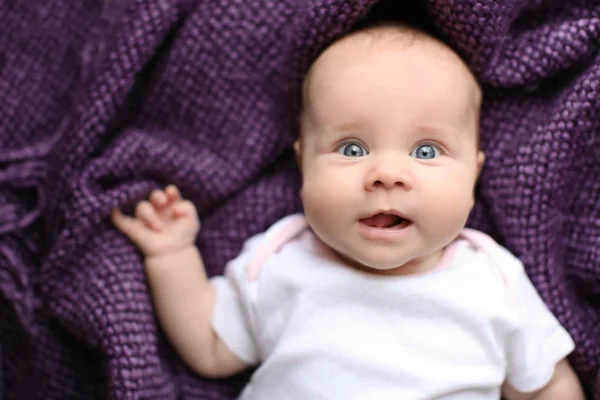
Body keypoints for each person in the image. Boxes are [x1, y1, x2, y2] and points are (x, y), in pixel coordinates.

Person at [111, 22, 585, 399]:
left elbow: (544, 384)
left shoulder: (493, 280)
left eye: (426, 151)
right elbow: (211, 348)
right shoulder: (279, 259)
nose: (386, 174)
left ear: (473, 176)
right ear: (303, 164)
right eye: (352, 148)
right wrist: (171, 256)